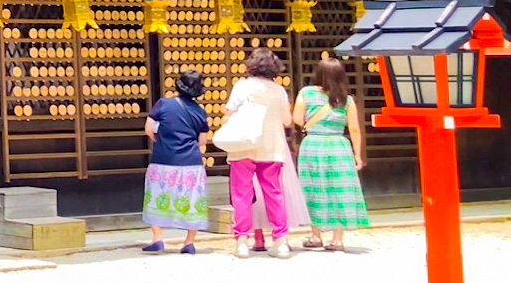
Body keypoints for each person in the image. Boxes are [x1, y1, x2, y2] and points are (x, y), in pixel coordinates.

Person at [293, 55, 369, 250]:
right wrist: (358, 155)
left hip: (313, 145)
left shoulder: (306, 93)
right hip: (339, 146)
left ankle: (315, 235)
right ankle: (337, 238)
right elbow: (354, 129)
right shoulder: (347, 100)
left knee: (313, 188)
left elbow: (297, 119)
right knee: (339, 189)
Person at [224, 48, 294, 259]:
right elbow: (287, 121)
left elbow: (228, 111)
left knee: (242, 194)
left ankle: (242, 242)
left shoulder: (243, 86)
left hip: (244, 145)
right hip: (272, 147)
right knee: (274, 193)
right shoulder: (279, 90)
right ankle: (281, 241)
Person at [141, 70, 209, 253]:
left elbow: (149, 129)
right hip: (191, 163)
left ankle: (157, 238)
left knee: (157, 195)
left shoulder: (163, 104)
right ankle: (189, 242)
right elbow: (202, 140)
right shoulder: (200, 112)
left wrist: (161, 141)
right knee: (192, 199)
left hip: (163, 159)